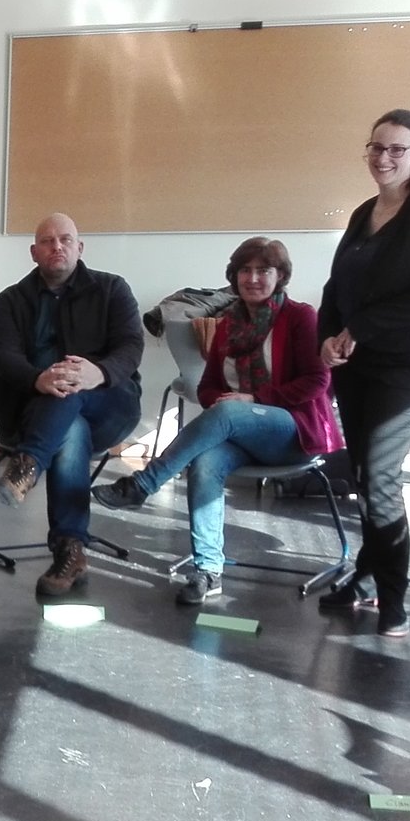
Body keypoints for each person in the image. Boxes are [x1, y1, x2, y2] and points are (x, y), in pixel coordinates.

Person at [93, 238, 341, 605]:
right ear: (234, 276)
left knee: (228, 413)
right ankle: (208, 571)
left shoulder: (300, 317)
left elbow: (318, 381)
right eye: (245, 270)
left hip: (293, 431)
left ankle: (143, 484)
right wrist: (227, 404)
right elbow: (207, 388)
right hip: (240, 433)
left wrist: (252, 400)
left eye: (263, 270)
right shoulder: (227, 326)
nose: (252, 278)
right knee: (206, 462)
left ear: (280, 276)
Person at [316, 109, 410, 638]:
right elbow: (336, 288)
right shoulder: (364, 213)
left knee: (380, 476)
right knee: (361, 476)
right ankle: (364, 577)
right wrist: (327, 337)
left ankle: (393, 600)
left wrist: (359, 326)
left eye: (397, 149)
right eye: (377, 147)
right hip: (355, 364)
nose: (384, 157)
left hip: (407, 363)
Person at [0, 214, 145, 596]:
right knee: (70, 428)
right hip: (41, 407)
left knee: (72, 394)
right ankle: (70, 550)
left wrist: (98, 372)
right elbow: (2, 356)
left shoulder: (112, 289)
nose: (57, 246)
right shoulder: (10, 301)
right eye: (47, 241)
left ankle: (27, 465)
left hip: (111, 403)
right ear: (34, 252)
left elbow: (131, 346)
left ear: (79, 247)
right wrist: (36, 379)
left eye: (65, 239)